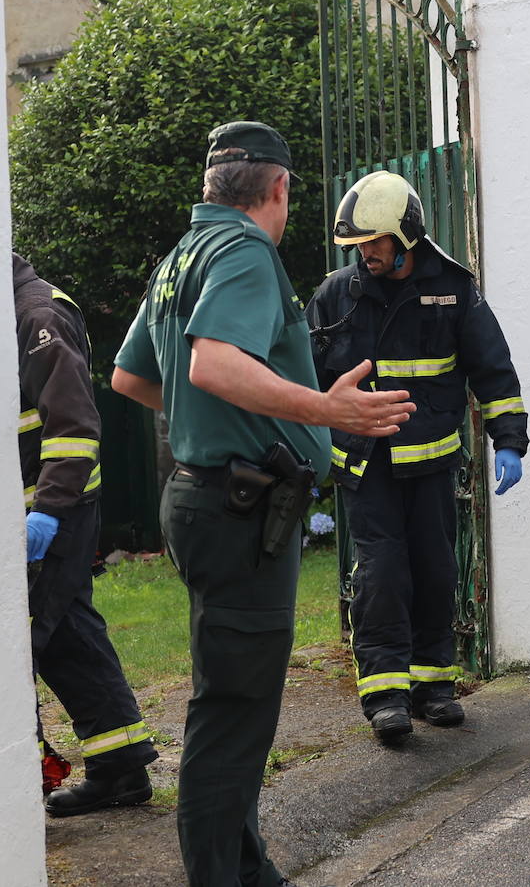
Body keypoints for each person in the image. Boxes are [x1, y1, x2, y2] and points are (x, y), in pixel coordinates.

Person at [112, 122, 414, 887]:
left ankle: (248, 869)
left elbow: (133, 378)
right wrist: (324, 411)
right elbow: (214, 364)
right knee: (232, 714)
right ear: (278, 187)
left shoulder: (182, 256)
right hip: (240, 512)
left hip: (205, 501)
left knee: (234, 705)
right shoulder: (245, 251)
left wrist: (221, 421)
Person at [306, 170, 529, 744]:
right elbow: (305, 382)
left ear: (405, 235)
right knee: (381, 573)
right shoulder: (336, 294)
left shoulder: (454, 290)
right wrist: (306, 451)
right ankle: (385, 695)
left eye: (374, 241)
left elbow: (493, 369)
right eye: (358, 244)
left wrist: (508, 440)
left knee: (435, 569)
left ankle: (434, 686)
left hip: (431, 463)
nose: (364, 253)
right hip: (365, 466)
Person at [13, 252, 158, 816]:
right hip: (44, 508)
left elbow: (73, 423)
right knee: (68, 634)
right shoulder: (9, 308)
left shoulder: (36, 315)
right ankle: (120, 766)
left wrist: (48, 511)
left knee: (20, 639)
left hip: (53, 511)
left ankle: (19, 781)